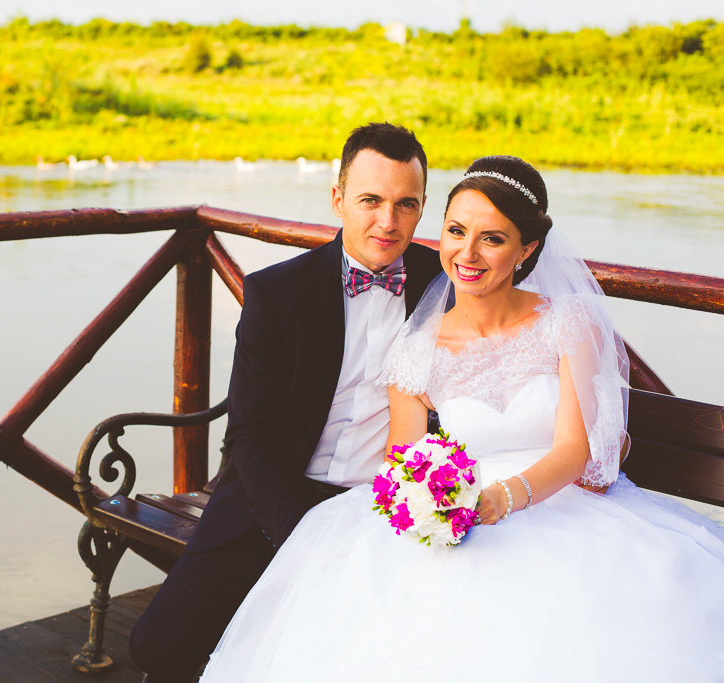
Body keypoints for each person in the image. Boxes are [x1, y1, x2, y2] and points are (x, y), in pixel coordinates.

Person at [198, 155, 724, 681]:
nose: (467, 254)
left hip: (567, 511)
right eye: (455, 231)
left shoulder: (568, 322)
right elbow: (401, 460)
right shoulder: (416, 349)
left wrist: (501, 499)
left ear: (526, 250)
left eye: (492, 239)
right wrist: (424, 503)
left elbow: (575, 450)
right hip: (462, 515)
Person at [129, 123, 444, 682]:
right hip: (273, 498)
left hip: (382, 509)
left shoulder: (445, 285)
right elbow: (248, 436)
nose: (388, 222)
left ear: (422, 208)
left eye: (406, 204)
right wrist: (299, 535)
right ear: (338, 199)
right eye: (370, 200)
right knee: (160, 647)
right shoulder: (278, 292)